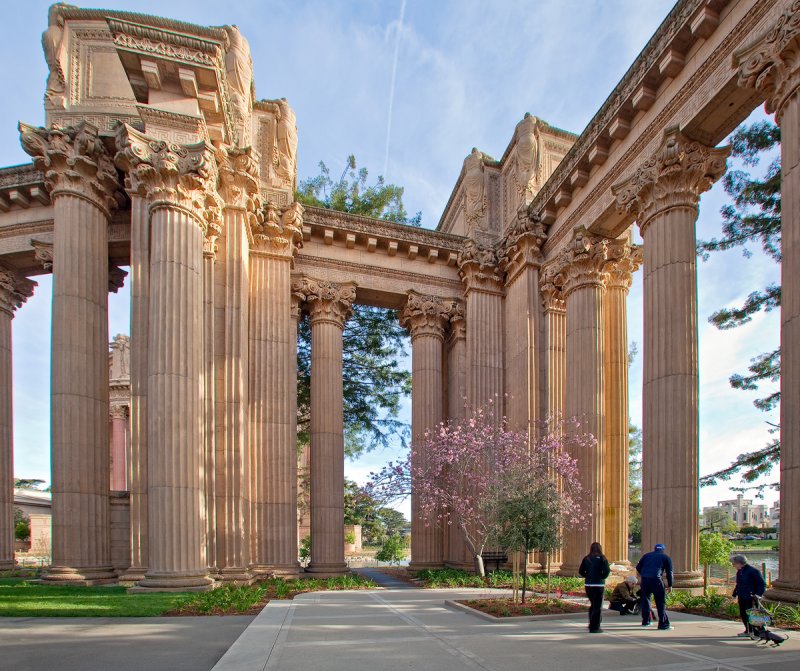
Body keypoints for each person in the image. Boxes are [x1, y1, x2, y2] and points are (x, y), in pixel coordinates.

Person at [636, 543, 673, 630]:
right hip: (656, 580)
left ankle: (646, 621)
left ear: (654, 549)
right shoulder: (665, 558)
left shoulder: (646, 556)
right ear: (663, 550)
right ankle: (663, 624)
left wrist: (644, 574)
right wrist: (670, 585)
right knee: (660, 602)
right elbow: (669, 573)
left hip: (645, 580)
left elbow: (638, 567)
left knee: (645, 600)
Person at [731, 554, 766, 637]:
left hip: (752, 597)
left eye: (734, 564)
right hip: (742, 596)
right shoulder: (740, 572)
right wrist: (734, 594)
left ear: (739, 563)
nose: (733, 566)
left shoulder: (753, 571)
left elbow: (762, 584)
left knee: (754, 614)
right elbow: (738, 584)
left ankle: (759, 632)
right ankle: (748, 630)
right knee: (744, 614)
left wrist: (758, 595)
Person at [579, 541, 611, 633]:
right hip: (598, 584)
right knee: (597, 606)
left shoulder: (586, 558)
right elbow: (606, 571)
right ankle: (595, 627)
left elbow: (581, 571)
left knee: (593, 604)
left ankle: (591, 624)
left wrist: (588, 576)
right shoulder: (602, 558)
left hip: (588, 584)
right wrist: (601, 577)